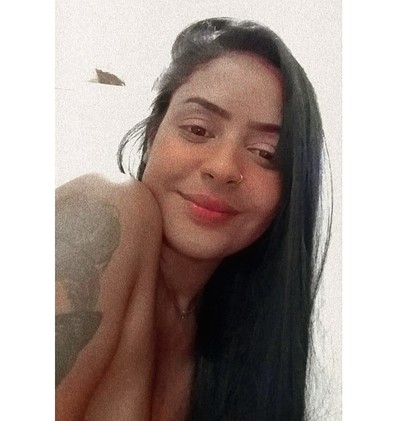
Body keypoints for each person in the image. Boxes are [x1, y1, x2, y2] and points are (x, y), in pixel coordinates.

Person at [55, 17, 331, 421]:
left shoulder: (247, 342)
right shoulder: (108, 211)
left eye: (265, 153)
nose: (223, 168)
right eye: (198, 130)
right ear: (153, 134)